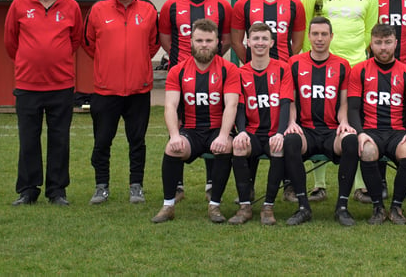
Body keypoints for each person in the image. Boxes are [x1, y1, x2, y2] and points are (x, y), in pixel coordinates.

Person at [299, 0, 378, 201]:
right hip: (318, 65)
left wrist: (355, 56)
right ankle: (318, 185)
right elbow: (305, 24)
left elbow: (370, 30)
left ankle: (359, 185)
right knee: (317, 120)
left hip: (354, 67)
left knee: (354, 124)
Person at [4, 0, 83, 206]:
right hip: (28, 86)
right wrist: (31, 60)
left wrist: (54, 58)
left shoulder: (71, 7)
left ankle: (57, 191)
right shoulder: (19, 5)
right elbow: (11, 42)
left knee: (60, 140)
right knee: (28, 139)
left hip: (61, 86)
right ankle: (28, 190)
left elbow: (75, 40)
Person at [150, 19, 242, 223]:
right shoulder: (178, 71)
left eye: (209, 40)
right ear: (190, 41)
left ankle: (215, 206)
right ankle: (168, 205)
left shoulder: (229, 69)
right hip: (191, 130)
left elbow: (231, 106)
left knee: (225, 147)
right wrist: (174, 136)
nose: (204, 44)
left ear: (218, 42)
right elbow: (170, 106)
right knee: (172, 148)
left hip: (217, 129)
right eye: (199, 40)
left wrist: (224, 136)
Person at [83, 0, 160, 205]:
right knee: (102, 140)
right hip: (106, 91)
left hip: (139, 90)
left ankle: (136, 186)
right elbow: (88, 43)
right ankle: (101, 186)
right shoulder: (98, 9)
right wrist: (109, 63)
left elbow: (153, 43)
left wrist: (136, 63)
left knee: (137, 141)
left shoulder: (148, 9)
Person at [158, 0, 233, 201]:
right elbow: (166, 39)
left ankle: (212, 183)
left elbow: (227, 38)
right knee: (179, 127)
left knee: (214, 122)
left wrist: (211, 60)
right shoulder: (171, 5)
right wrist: (182, 63)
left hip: (213, 73)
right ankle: (177, 186)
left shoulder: (222, 5)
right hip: (182, 76)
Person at [354, 0, 406, 204]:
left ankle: (405, 179)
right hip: (376, 66)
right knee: (376, 118)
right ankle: (379, 182)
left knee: (403, 121)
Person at [282, 17, 358, 226]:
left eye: (324, 34)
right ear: (308, 37)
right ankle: (303, 206)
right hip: (305, 129)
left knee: (351, 141)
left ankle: (342, 207)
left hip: (331, 131)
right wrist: (291, 123)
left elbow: (344, 102)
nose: (319, 39)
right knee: (290, 141)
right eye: (315, 34)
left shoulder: (342, 65)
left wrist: (344, 122)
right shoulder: (295, 63)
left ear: (331, 37)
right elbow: (291, 99)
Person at [347, 23, 406, 225]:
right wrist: (360, 133)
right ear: (371, 44)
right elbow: (352, 109)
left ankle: (396, 207)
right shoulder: (359, 70)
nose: (383, 47)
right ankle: (377, 207)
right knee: (367, 151)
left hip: (397, 132)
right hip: (371, 131)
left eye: (387, 42)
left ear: (396, 43)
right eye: (378, 43)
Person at [232, 22, 294, 225]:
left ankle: (268, 207)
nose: (260, 43)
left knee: (278, 148)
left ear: (272, 42)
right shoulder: (240, 73)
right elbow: (239, 107)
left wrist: (280, 133)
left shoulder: (283, 69)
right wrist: (241, 132)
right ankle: (245, 206)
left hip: (273, 132)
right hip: (252, 132)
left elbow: (285, 103)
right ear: (248, 42)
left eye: (264, 38)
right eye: (256, 39)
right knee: (239, 146)